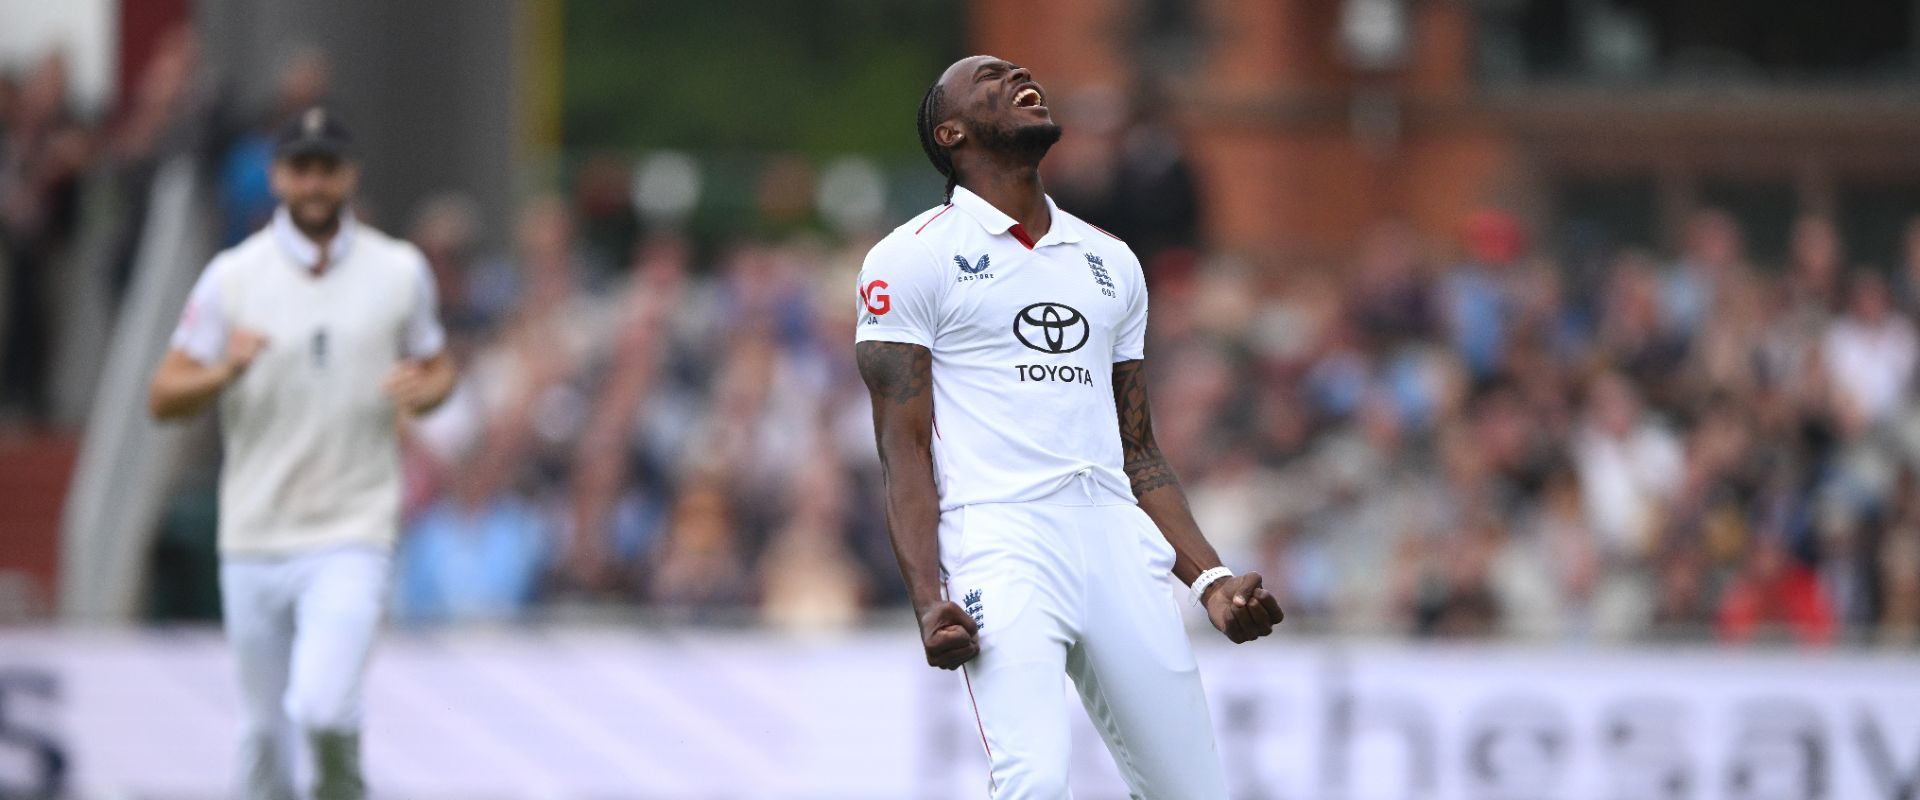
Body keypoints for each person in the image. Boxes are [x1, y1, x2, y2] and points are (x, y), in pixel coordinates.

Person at [853, 55, 1282, 798]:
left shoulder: (1111, 262)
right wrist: (928, 599)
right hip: (1001, 540)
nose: (1018, 73)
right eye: (989, 78)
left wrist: (1209, 580)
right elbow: (903, 451)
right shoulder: (911, 257)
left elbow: (1138, 449)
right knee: (1036, 780)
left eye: (1017, 71)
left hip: (1115, 539)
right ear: (950, 132)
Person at [148, 108, 455, 800]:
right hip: (256, 534)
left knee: (321, 707)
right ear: (277, 176)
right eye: (302, 169)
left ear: (351, 175)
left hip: (352, 527)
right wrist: (223, 372)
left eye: (328, 168)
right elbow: (164, 395)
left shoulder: (399, 270)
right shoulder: (234, 277)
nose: (315, 184)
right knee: (262, 734)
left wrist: (425, 391)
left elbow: (439, 369)